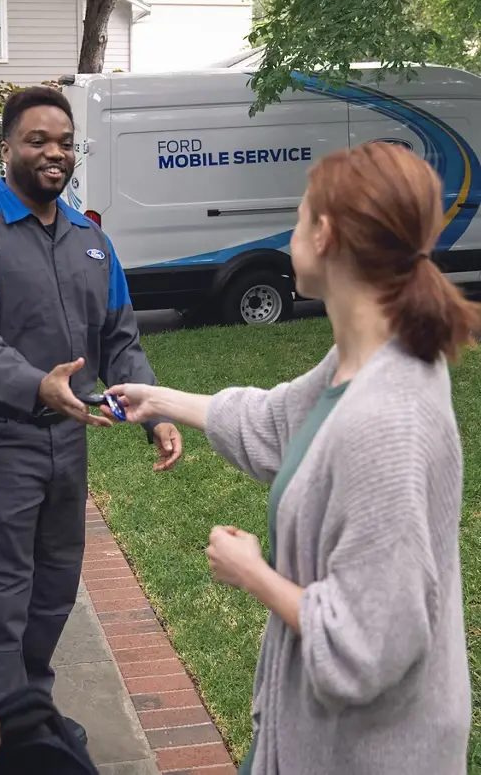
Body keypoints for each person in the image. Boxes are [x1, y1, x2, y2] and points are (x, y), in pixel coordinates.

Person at [107, 142, 474, 775]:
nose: (292, 229)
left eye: (300, 215)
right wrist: (158, 398)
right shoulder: (365, 362)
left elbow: (368, 645)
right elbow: (277, 422)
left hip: (367, 755)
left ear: (325, 234)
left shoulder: (389, 418)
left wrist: (252, 572)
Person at [0, 86, 183, 741]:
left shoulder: (90, 239)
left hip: (67, 444)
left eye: (65, 143)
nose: (54, 153)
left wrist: (153, 408)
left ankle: (28, 712)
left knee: (52, 589)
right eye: (38, 140)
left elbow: (120, 336)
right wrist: (37, 384)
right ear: (7, 146)